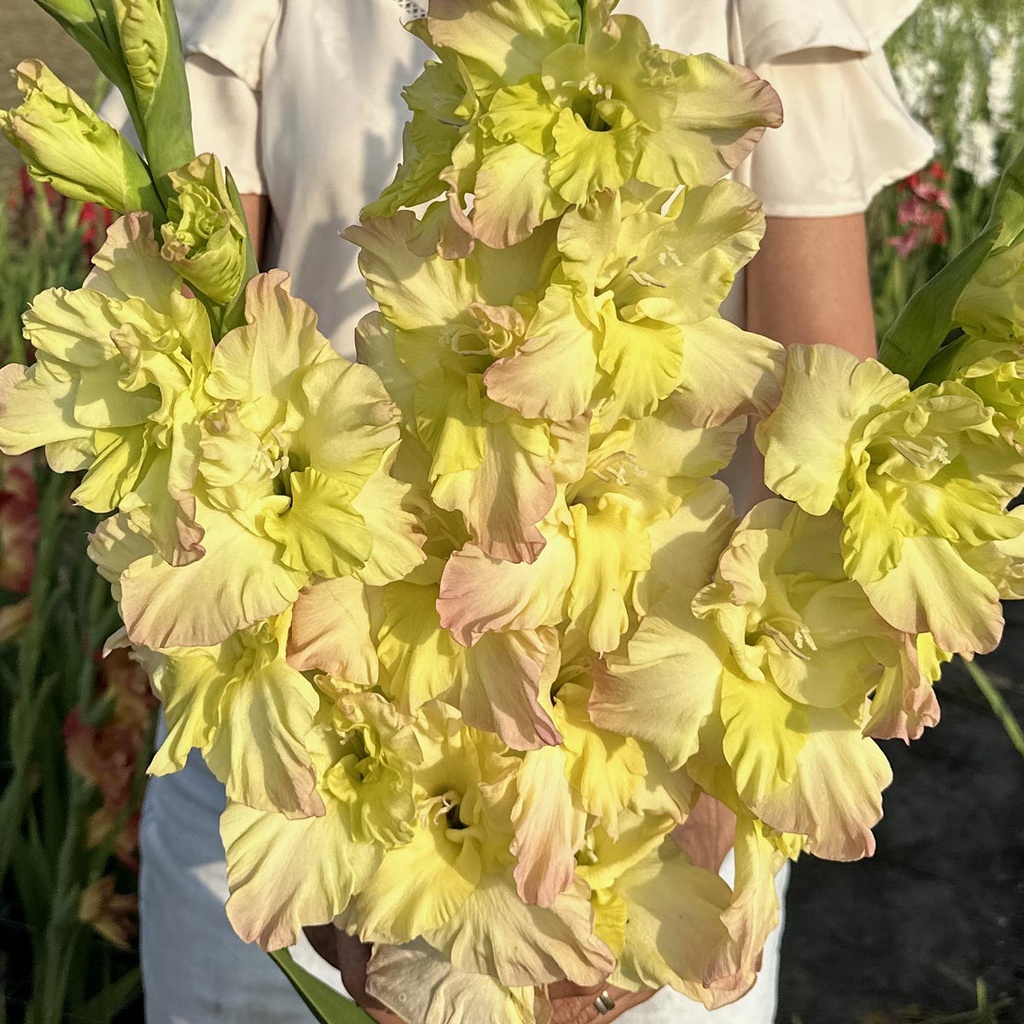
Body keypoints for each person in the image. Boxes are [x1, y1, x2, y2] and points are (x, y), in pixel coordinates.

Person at [102, 1, 933, 1021]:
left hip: (650, 774)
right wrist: (335, 806)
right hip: (291, 734)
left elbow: (815, 418)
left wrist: (705, 788)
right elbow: (187, 379)